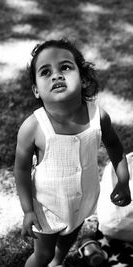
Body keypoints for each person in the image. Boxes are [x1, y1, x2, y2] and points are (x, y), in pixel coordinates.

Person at [14, 39, 131, 267]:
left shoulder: (99, 117)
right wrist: (28, 210)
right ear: (36, 90)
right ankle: (49, 260)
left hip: (83, 199)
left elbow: (115, 148)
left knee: (68, 239)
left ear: (84, 78)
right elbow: (21, 169)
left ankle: (58, 262)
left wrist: (123, 181)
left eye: (65, 67)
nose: (56, 75)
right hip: (47, 207)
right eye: (45, 72)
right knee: (43, 254)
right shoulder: (33, 127)